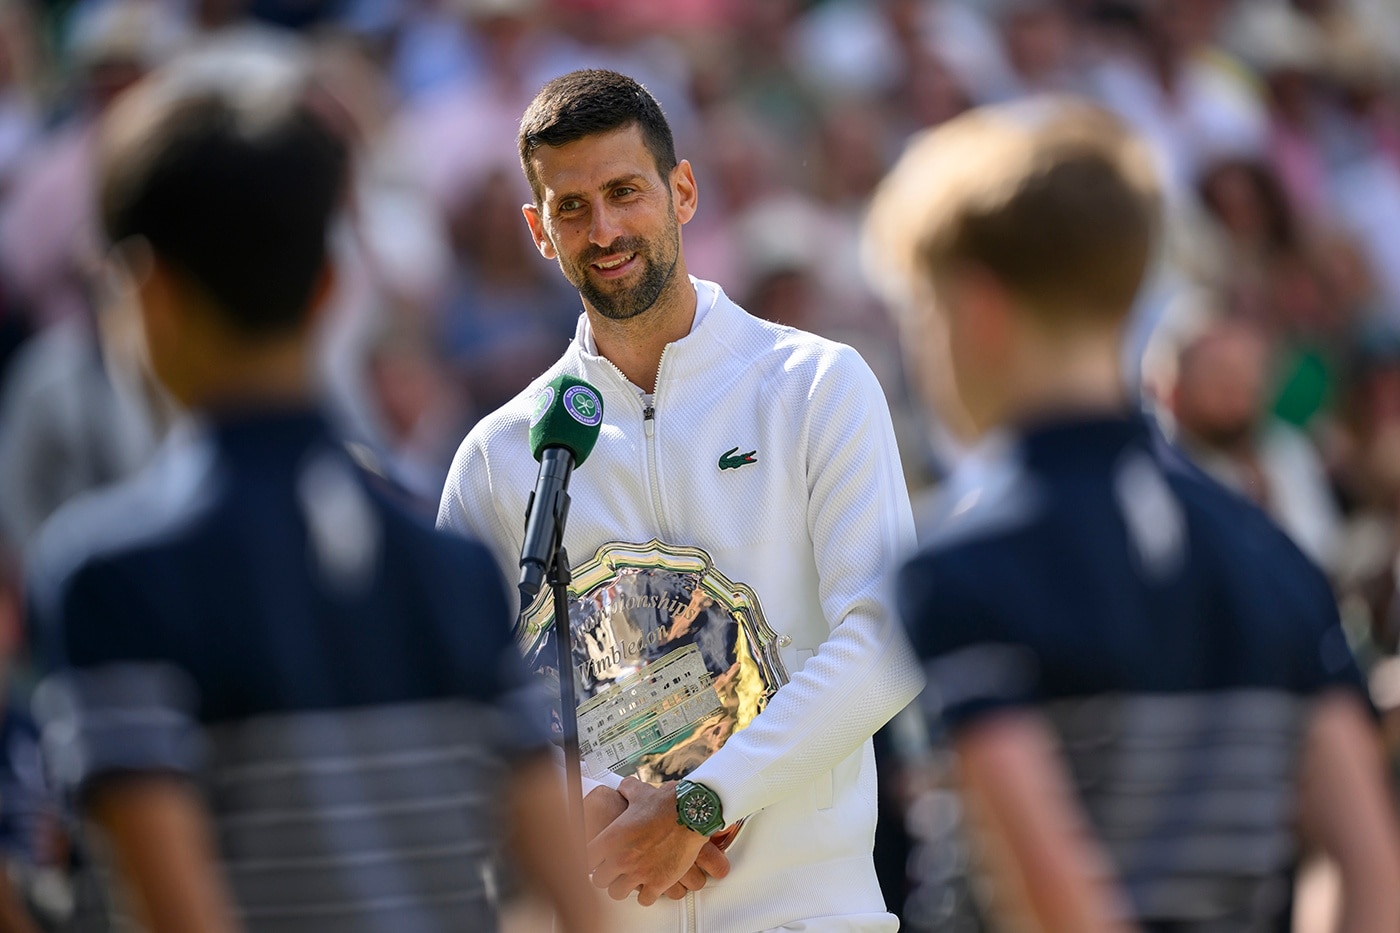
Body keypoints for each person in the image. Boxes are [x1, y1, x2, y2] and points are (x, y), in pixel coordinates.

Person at [24, 47, 599, 933]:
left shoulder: (110, 577)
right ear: (330, 288)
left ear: (147, 291)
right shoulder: (452, 569)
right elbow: (577, 910)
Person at [865, 98, 1400, 932]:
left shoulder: (960, 566)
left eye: (922, 315)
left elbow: (1056, 899)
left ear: (978, 309)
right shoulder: (1269, 551)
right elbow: (1365, 863)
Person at [437, 68, 922, 932]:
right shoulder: (496, 456)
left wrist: (697, 804)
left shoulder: (818, 385)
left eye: (625, 191)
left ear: (683, 190)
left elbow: (887, 639)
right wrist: (588, 813)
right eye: (572, 207)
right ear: (538, 232)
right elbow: (455, 709)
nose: (605, 228)